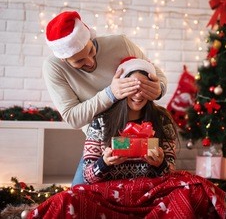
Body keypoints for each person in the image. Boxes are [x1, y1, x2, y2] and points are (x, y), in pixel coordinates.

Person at [26, 58, 226, 219]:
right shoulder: (101, 120)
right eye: (132, 87)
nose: (138, 94)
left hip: (150, 195)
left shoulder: (162, 120)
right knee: (68, 199)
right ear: (122, 87)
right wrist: (104, 163)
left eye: (144, 87)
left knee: (193, 191)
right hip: (109, 197)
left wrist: (159, 164)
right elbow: (88, 176)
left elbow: (168, 171)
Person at [43, 11, 167, 185]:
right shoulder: (54, 68)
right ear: (63, 60)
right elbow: (72, 118)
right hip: (99, 144)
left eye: (91, 50)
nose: (90, 61)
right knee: (79, 195)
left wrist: (158, 88)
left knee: (145, 188)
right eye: (79, 61)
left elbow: (159, 76)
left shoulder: (120, 43)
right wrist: (110, 94)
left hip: (141, 137)